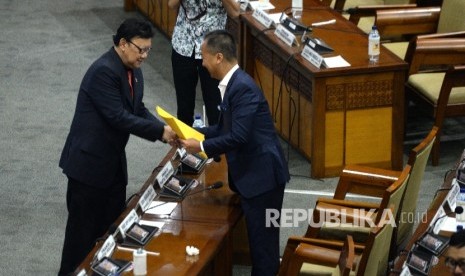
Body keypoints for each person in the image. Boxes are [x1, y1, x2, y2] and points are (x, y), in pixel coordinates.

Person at [57, 18, 177, 275]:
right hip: (87, 170)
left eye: (148, 50)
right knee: (79, 244)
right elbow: (119, 117)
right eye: (140, 49)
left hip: (111, 168)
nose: (144, 55)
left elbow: (137, 109)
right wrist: (160, 132)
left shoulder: (133, 68)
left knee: (109, 238)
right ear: (123, 44)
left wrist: (165, 129)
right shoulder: (104, 71)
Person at [178, 30, 290, 276]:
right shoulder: (232, 84)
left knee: (264, 249)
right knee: (259, 244)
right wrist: (192, 133)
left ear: (218, 57)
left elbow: (238, 136)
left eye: (204, 57)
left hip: (264, 180)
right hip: (254, 177)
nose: (202, 63)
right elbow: (222, 128)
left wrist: (201, 147)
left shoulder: (243, 88)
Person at [167, 0, 240, 126]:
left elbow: (235, 12)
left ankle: (215, 144)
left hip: (214, 50)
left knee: (215, 106)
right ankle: (185, 144)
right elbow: (171, 5)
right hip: (184, 44)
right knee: (184, 106)